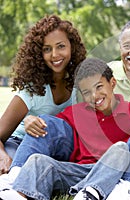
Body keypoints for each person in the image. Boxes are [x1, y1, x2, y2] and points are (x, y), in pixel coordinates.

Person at [0, 58, 130, 200]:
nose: (94, 96)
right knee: (41, 144)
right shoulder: (78, 112)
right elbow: (49, 129)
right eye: (87, 92)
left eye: (99, 87)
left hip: (118, 174)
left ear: (113, 83)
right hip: (79, 172)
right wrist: (31, 120)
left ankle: (123, 192)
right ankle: (17, 184)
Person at [0, 14, 86, 174]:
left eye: (61, 46)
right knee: (13, 171)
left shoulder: (80, 85)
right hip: (20, 142)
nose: (55, 55)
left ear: (72, 47)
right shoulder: (33, 90)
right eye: (47, 49)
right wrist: (2, 156)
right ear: (39, 53)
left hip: (55, 147)